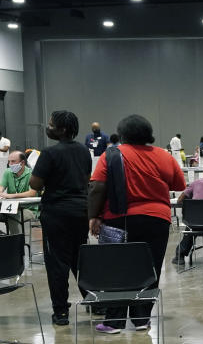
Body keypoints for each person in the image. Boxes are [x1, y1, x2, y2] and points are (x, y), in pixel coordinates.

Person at [89, 114, 186, 332]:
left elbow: (97, 188)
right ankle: (142, 319)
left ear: (122, 134)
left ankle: (114, 321)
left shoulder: (111, 154)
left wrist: (93, 216)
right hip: (157, 220)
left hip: (119, 219)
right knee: (149, 269)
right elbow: (179, 184)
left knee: (116, 270)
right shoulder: (164, 155)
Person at [29, 110, 93, 326]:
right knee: (80, 259)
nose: (47, 128)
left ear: (62, 129)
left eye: (50, 124)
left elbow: (35, 184)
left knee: (57, 263)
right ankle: (94, 300)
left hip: (56, 213)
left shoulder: (49, 153)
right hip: (81, 211)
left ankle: (61, 312)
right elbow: (86, 180)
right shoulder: (84, 152)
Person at [0, 151, 38, 235]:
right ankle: (3, 236)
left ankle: (16, 242)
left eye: (13, 161)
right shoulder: (8, 172)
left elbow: (32, 193)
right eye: (9, 161)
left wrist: (11, 196)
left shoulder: (31, 173)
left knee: (12, 215)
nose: (10, 164)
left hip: (28, 209)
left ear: (22, 163)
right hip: (10, 208)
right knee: (10, 213)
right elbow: (1, 189)